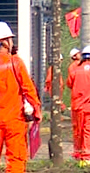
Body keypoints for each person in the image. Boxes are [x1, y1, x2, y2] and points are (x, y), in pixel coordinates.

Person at [0, 21, 41, 173]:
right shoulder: (15, 62)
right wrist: (36, 110)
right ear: (6, 42)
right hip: (14, 120)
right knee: (16, 160)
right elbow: (28, 88)